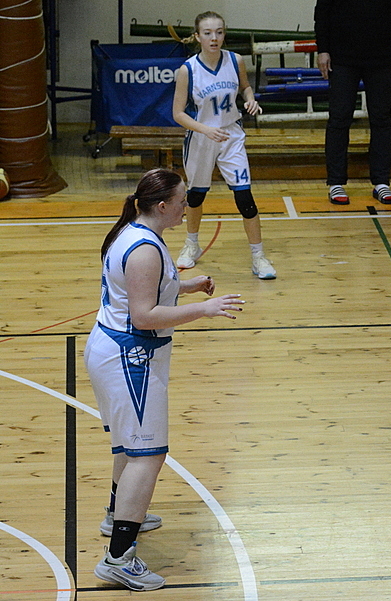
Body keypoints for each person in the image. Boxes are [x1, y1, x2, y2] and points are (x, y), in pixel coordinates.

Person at [85, 168, 244, 591]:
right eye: (181, 201)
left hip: (116, 351)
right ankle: (118, 559)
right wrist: (204, 309)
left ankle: (116, 516)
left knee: (130, 446)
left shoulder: (137, 233)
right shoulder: (144, 250)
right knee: (147, 455)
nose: (186, 207)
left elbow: (142, 292)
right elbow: (144, 315)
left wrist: (187, 287)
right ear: (161, 206)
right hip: (130, 358)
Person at [172, 11, 276, 279]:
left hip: (231, 135)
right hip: (201, 137)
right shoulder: (187, 70)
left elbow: (245, 87)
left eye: (219, 32)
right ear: (198, 37)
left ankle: (259, 257)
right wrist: (206, 129)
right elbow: (178, 114)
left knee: (245, 198)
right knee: (196, 196)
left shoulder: (235, 60)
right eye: (207, 33)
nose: (214, 38)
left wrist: (250, 99)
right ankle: (191, 244)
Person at [314, 0, 391, 205]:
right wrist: (322, 50)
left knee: (381, 118)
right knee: (339, 118)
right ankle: (336, 182)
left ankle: (381, 182)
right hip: (342, 57)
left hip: (381, 57)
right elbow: (322, 12)